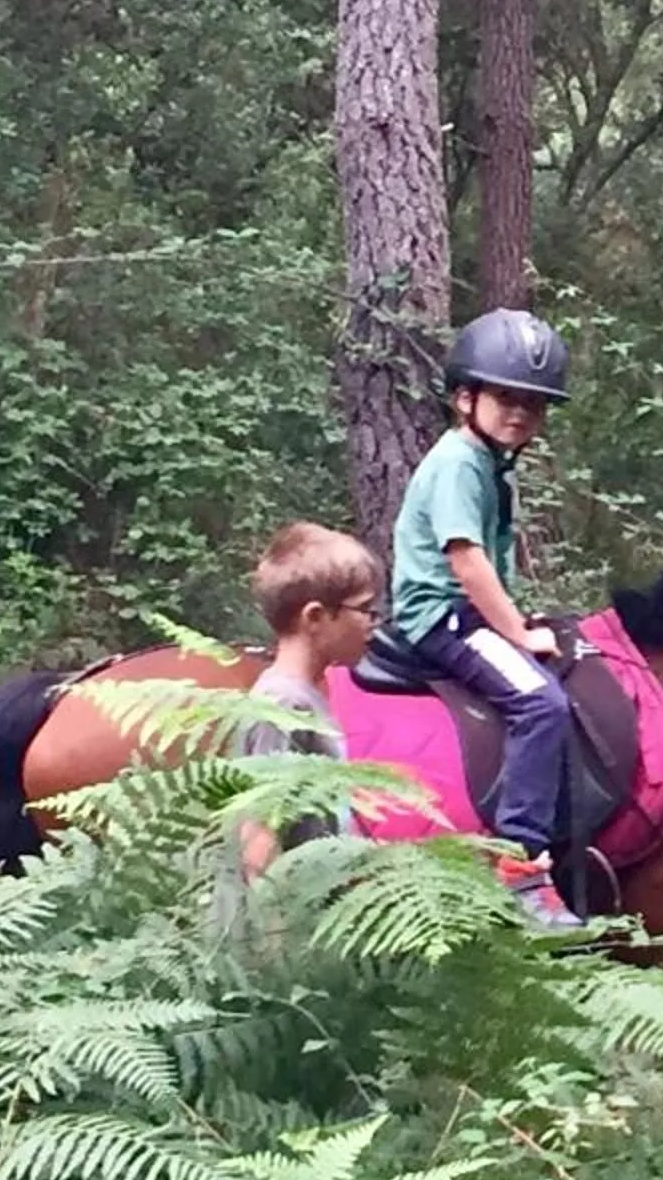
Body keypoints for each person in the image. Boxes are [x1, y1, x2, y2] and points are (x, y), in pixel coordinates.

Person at [390, 308, 580, 930]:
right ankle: (520, 865)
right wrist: (519, 634)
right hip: (442, 616)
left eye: (534, 403)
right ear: (464, 397)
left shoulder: (492, 465)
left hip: (467, 610)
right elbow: (467, 562)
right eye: (505, 398)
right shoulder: (457, 463)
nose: (520, 413)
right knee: (541, 704)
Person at [232, 521, 381, 885]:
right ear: (315, 617)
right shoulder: (282, 704)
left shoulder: (303, 695)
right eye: (364, 610)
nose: (373, 625)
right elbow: (259, 844)